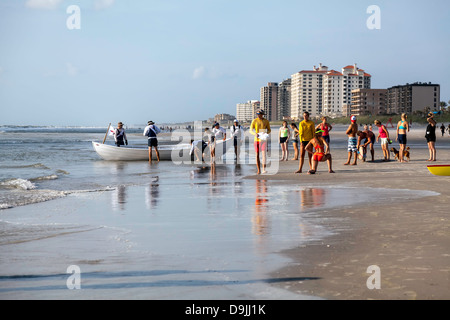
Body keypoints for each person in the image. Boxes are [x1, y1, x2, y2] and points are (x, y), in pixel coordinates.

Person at [250, 110, 271, 174]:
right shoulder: (254, 121)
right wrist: (255, 134)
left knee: (264, 155)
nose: (258, 115)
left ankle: (264, 169)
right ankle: (259, 170)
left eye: (260, 114)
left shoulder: (266, 121)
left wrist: (266, 133)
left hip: (263, 139)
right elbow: (250, 130)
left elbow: (269, 130)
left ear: (262, 114)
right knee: (257, 155)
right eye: (257, 114)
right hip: (257, 140)